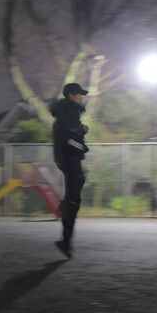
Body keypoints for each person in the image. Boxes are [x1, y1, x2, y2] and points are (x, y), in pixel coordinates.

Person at [50, 83, 90, 258]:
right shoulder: (70, 112)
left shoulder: (64, 113)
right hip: (70, 158)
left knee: (75, 193)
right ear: (71, 95)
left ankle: (65, 239)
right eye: (80, 94)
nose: (82, 97)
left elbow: (69, 135)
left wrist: (80, 132)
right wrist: (82, 147)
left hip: (65, 158)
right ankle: (65, 241)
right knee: (74, 199)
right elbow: (68, 139)